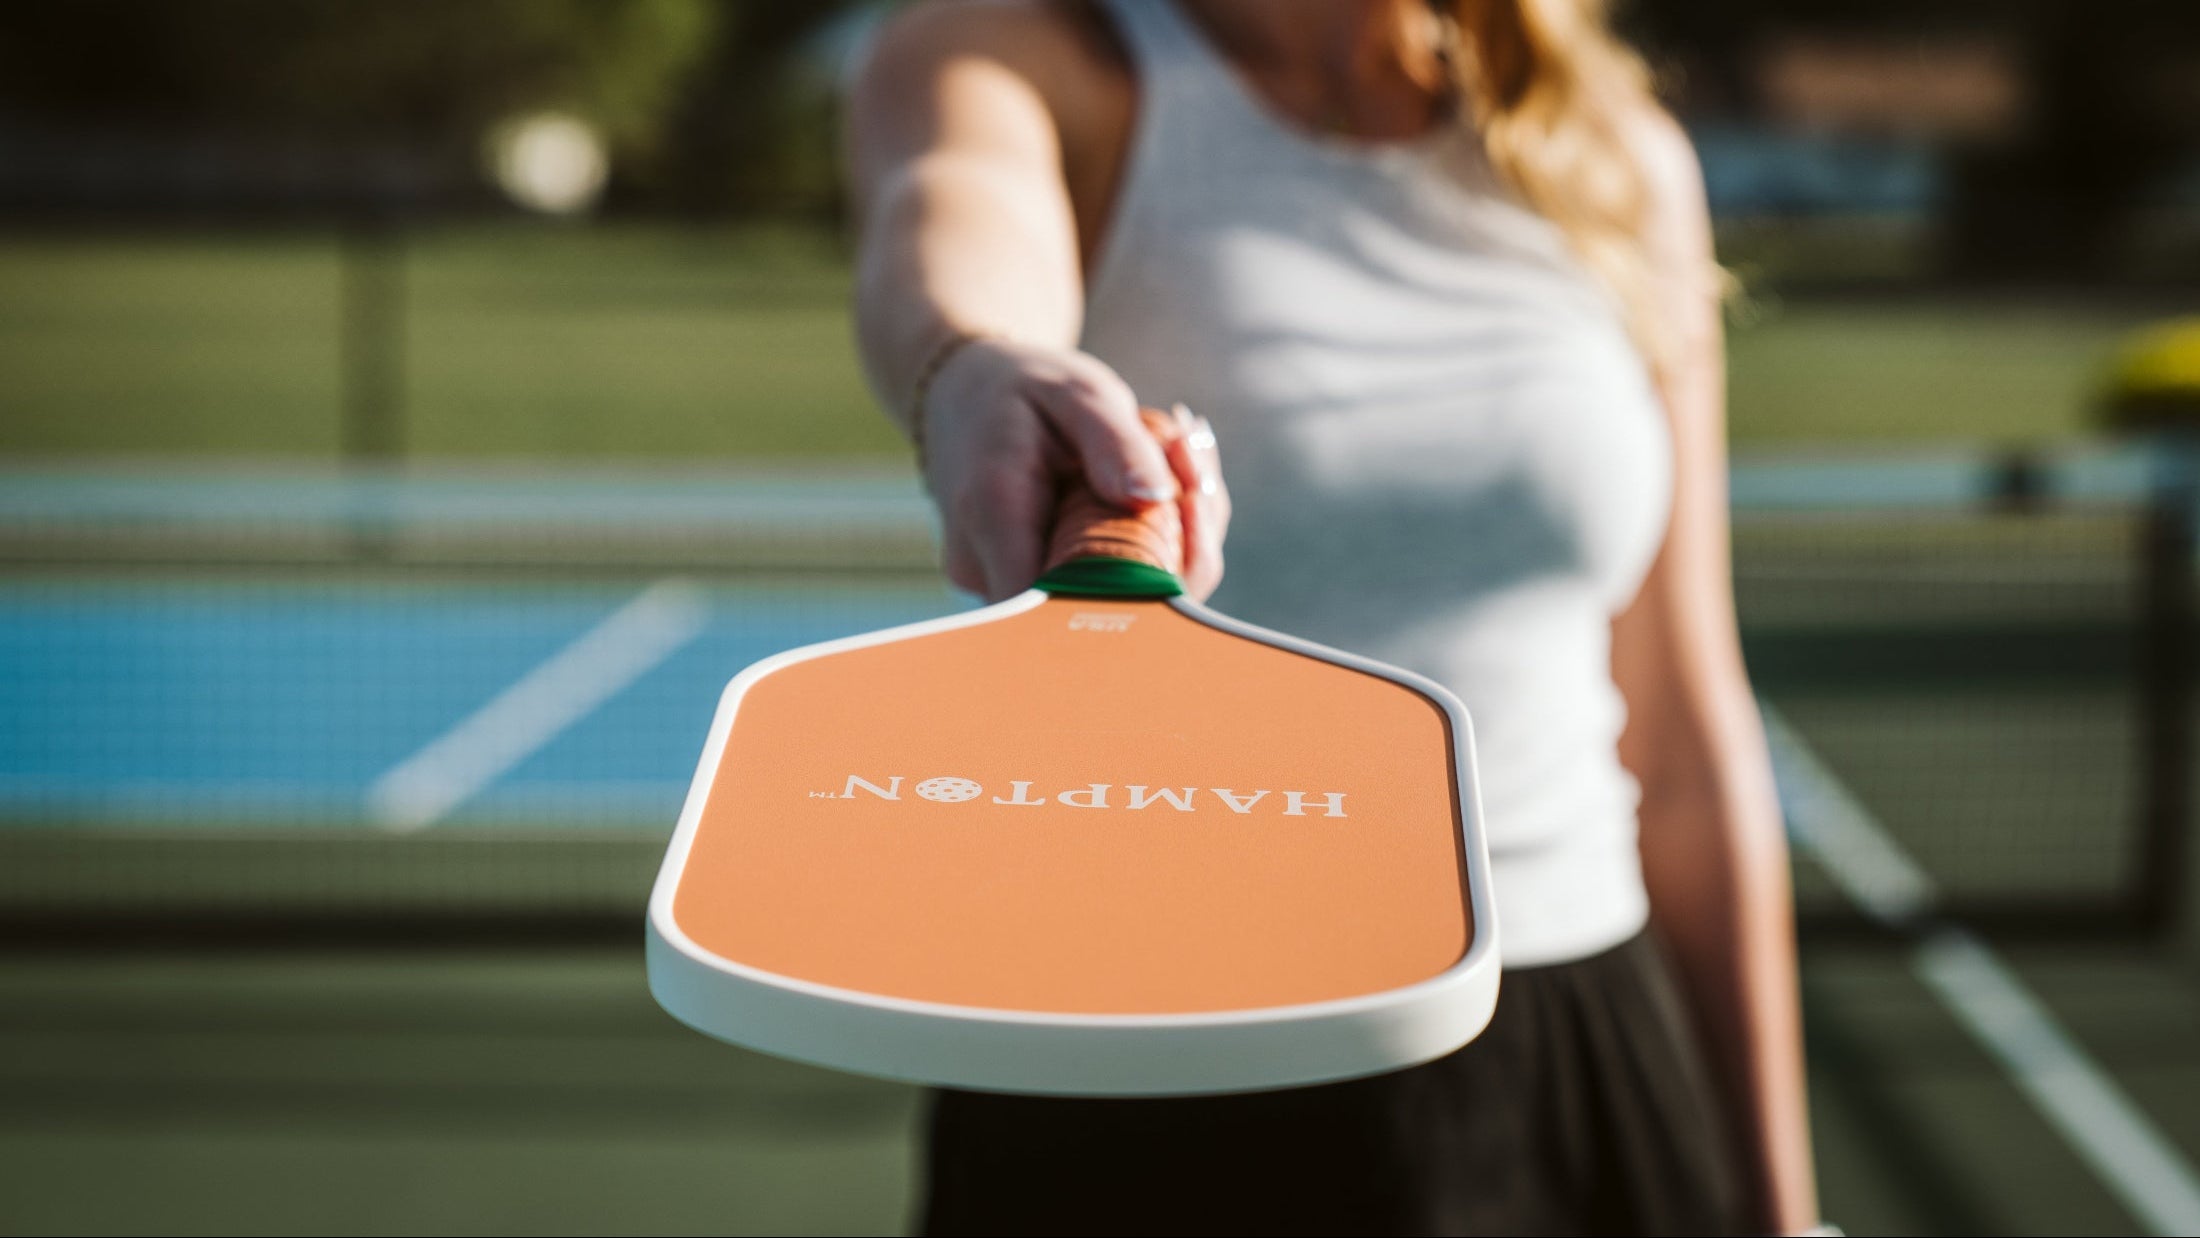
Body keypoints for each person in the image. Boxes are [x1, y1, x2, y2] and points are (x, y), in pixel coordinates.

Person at [844, 1, 1822, 1233]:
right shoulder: (1031, 54)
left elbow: (1682, 734)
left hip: (1568, 1030)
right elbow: (951, 208)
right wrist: (974, 365)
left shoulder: (1610, 152)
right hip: (1149, 1055)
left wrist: (1782, 1206)